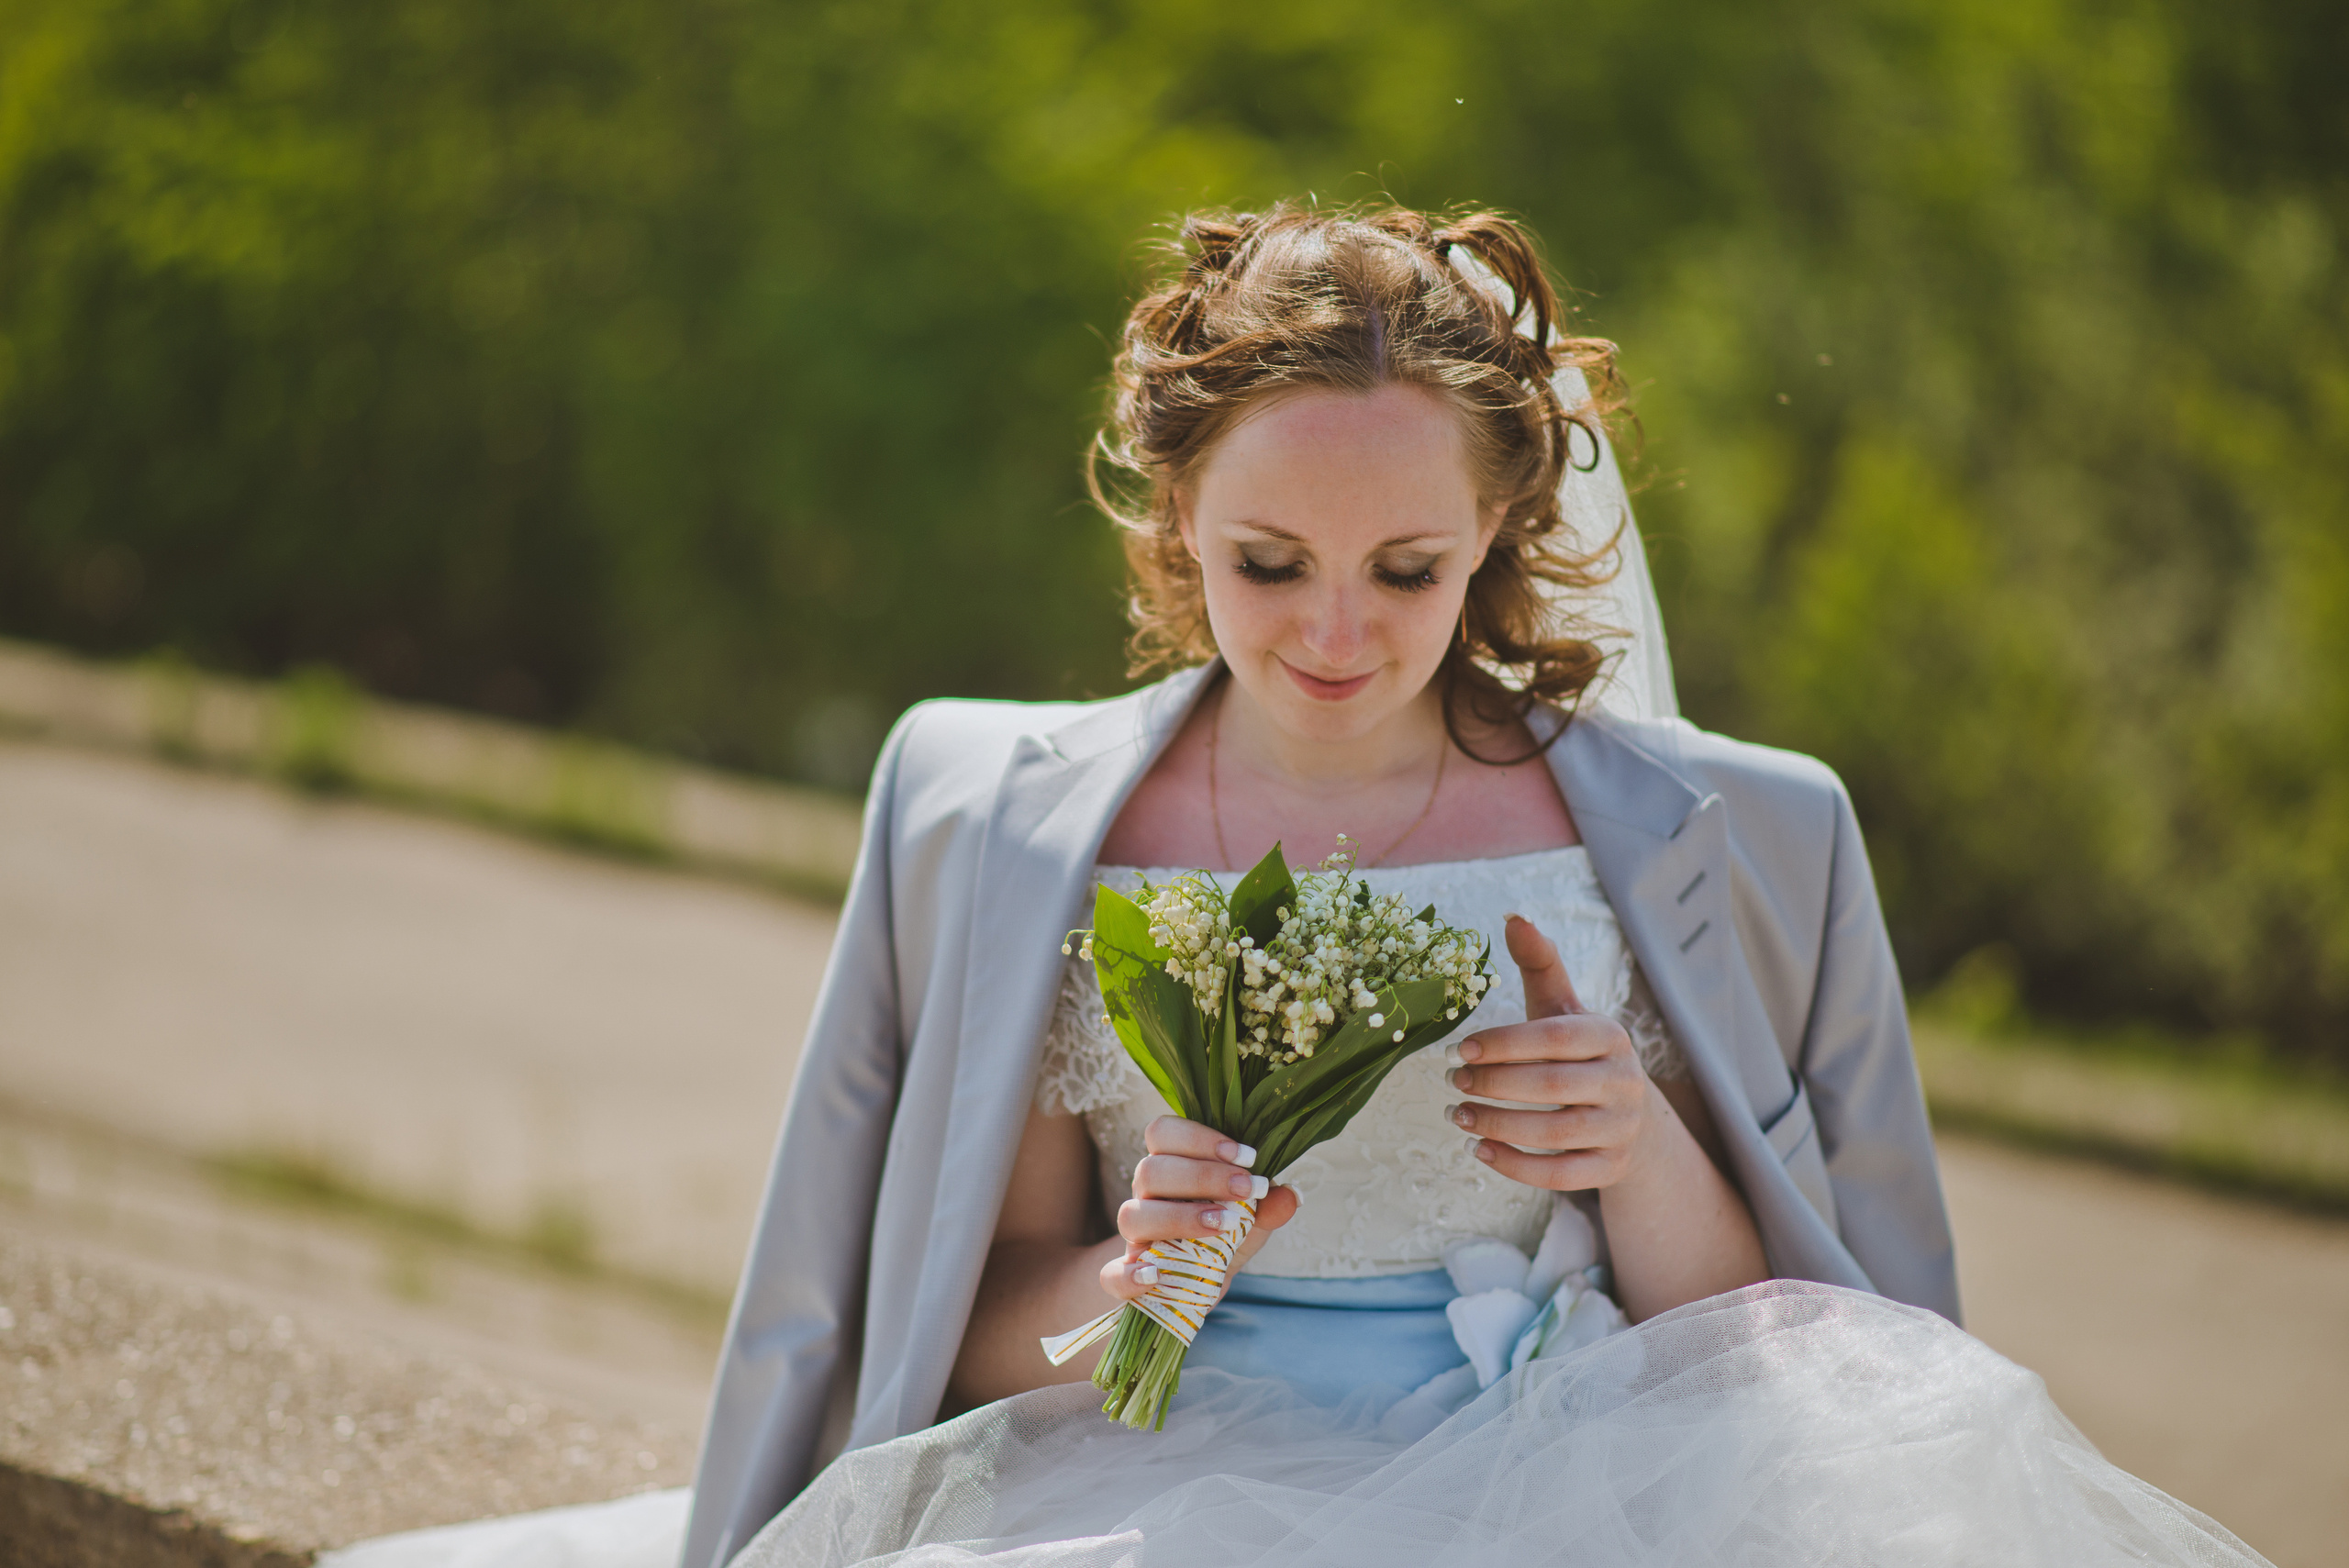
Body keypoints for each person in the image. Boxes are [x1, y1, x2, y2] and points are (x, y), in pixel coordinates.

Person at [328, 204, 2269, 1568]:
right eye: (1268, 565)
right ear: (1172, 511)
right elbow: (975, 1331)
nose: (1334, 634)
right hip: (1138, 1496)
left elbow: (1821, 1356)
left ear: (1501, 524)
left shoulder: (1734, 837)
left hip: (1593, 1493)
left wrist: (1638, 1153)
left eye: (1405, 572)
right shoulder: (1004, 822)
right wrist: (1142, 1269)